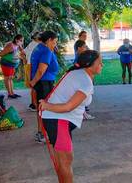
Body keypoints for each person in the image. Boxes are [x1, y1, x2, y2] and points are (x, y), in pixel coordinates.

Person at [39, 50, 103, 183]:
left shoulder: (78, 73)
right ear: (89, 65)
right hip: (59, 119)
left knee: (62, 162)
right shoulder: (85, 80)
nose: (102, 64)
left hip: (58, 119)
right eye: (99, 62)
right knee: (65, 162)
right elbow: (68, 107)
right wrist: (46, 106)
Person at [30, 31, 59, 143]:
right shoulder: (46, 50)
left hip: (43, 83)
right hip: (44, 83)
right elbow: (41, 70)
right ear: (48, 40)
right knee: (45, 109)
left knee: (42, 109)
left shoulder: (39, 47)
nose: (55, 44)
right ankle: (44, 134)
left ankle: (41, 132)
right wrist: (33, 82)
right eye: (54, 42)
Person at [73, 40, 96, 120]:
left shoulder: (80, 56)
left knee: (83, 98)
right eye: (84, 47)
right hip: (81, 80)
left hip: (82, 78)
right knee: (83, 97)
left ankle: (83, 113)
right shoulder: (79, 57)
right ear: (79, 48)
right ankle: (82, 114)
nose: (85, 48)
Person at [0, 34, 25, 99]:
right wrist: (9, 52)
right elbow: (0, 54)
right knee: (7, 78)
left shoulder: (17, 45)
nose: (22, 42)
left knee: (10, 78)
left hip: (12, 65)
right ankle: (10, 94)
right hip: (6, 63)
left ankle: (12, 93)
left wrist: (20, 49)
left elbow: (22, 53)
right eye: (21, 40)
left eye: (22, 41)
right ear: (16, 40)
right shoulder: (10, 46)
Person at [74, 30, 92, 113]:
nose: (85, 37)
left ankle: (84, 107)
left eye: (86, 35)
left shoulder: (83, 43)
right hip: (80, 66)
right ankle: (82, 107)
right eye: (84, 35)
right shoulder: (79, 43)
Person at [24, 32, 40, 111]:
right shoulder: (37, 45)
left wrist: (25, 62)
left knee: (34, 86)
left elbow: (22, 53)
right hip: (32, 66)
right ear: (36, 37)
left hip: (29, 65)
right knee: (35, 85)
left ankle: (33, 103)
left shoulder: (31, 44)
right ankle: (34, 105)